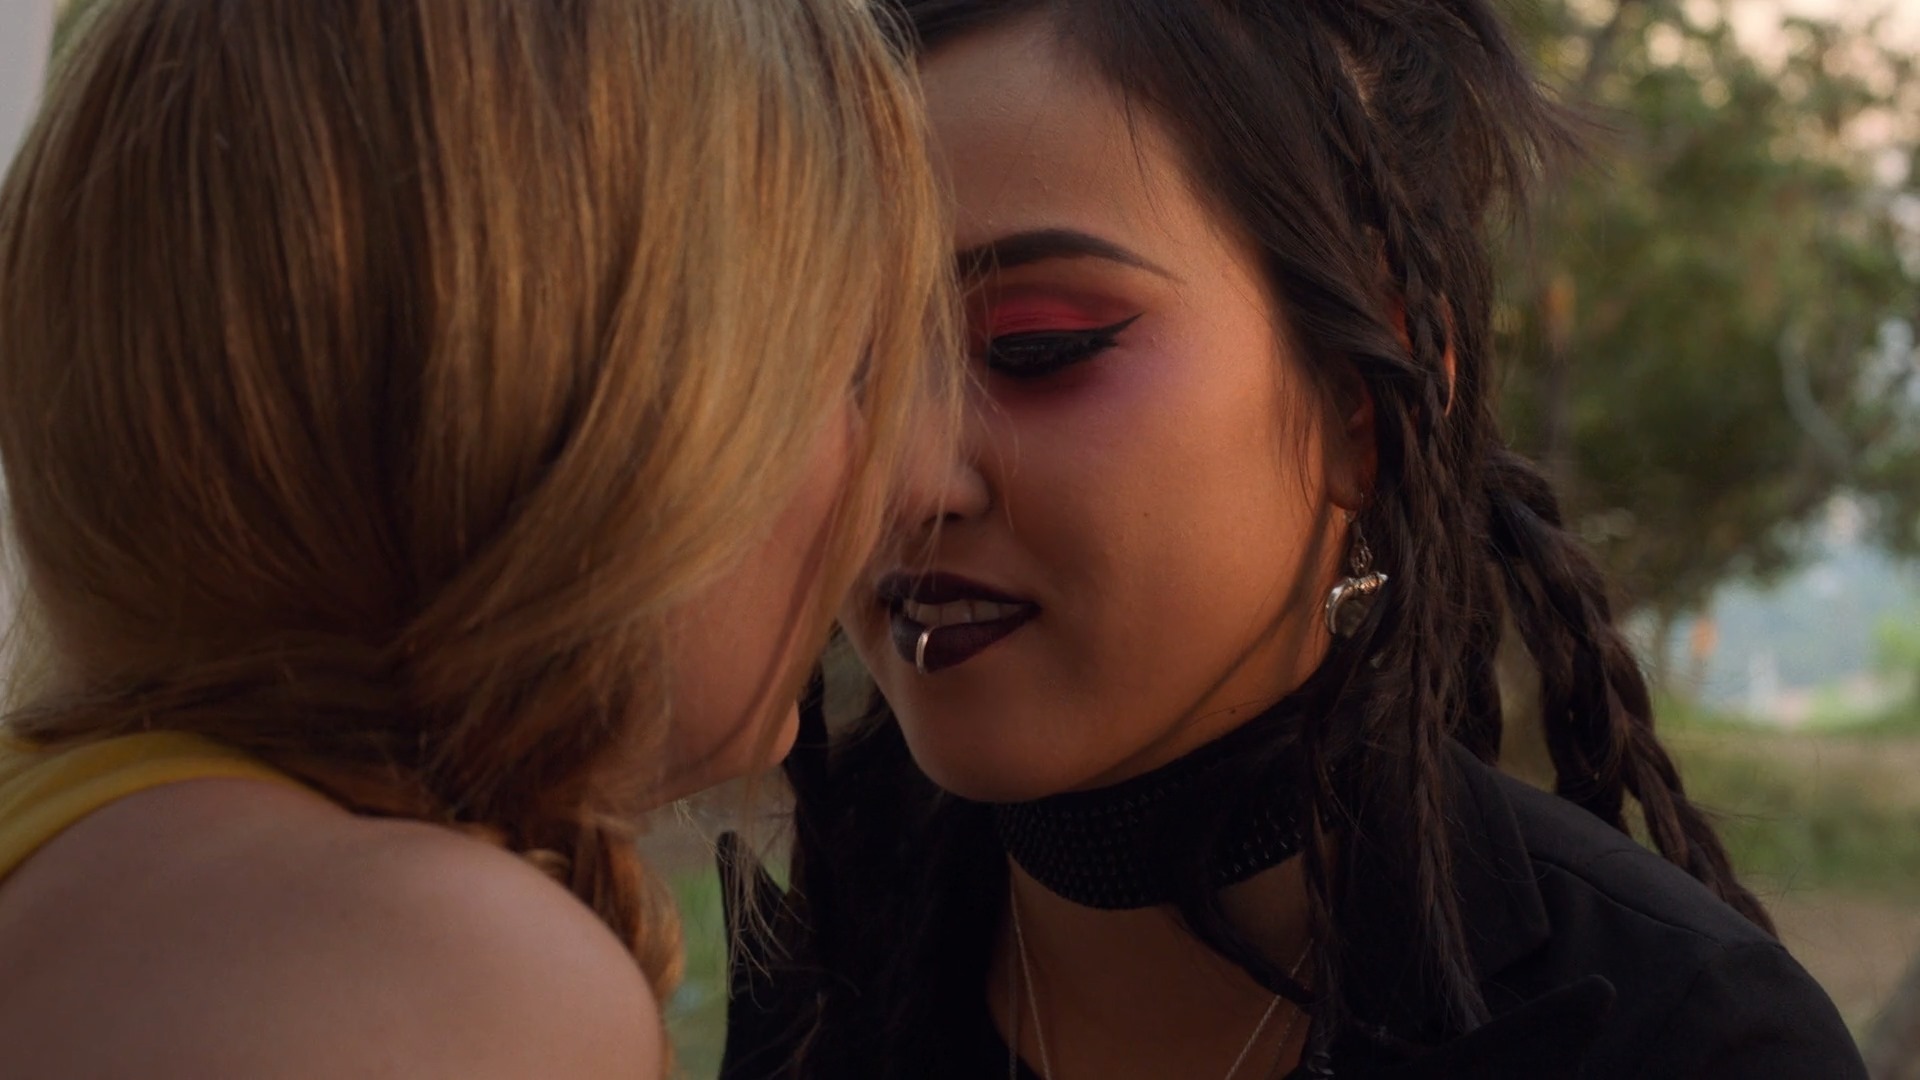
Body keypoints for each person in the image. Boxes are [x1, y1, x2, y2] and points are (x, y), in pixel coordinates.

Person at [720, 1, 1867, 1077]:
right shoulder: (822, 962)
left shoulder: (1673, 1038)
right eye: (845, 366)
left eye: (1035, 347)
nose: (900, 480)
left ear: (1364, 402)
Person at [0, 0, 950, 1075]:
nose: (911, 481)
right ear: (588, 421)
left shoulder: (76, 830)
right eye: (850, 372)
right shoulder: (431, 973)